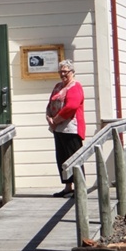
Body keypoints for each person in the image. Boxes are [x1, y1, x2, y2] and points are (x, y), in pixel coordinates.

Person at [46, 59, 86, 197]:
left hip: (71, 129)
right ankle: (68, 187)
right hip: (58, 129)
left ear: (72, 72)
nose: (63, 74)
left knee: (74, 157)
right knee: (62, 158)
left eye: (65, 71)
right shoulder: (58, 86)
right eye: (60, 71)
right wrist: (48, 117)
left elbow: (72, 106)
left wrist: (56, 119)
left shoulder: (75, 87)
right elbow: (51, 102)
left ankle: (80, 187)